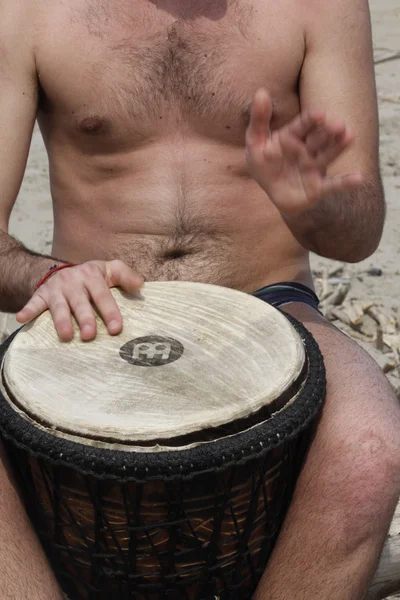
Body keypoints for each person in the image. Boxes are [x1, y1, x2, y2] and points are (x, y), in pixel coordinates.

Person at [0, 0, 399, 598]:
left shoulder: (324, 6)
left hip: (270, 304)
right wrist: (48, 275)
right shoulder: (29, 11)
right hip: (97, 312)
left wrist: (316, 206)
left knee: (372, 447)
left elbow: (359, 232)